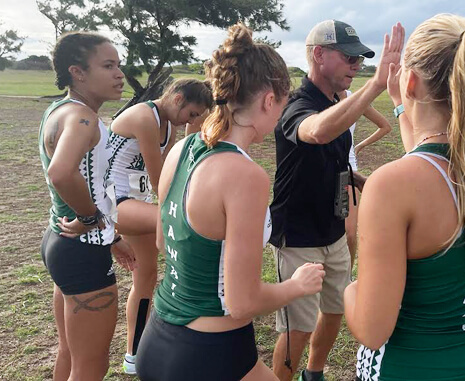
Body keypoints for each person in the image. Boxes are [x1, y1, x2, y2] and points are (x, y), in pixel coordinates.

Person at [135, 24, 325, 381]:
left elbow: (164, 241)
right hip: (210, 353)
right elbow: (241, 303)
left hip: (158, 337)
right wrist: (297, 285)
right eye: (283, 104)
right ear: (270, 100)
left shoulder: (182, 148)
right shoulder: (244, 175)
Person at [343, 14, 465, 380]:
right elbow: (429, 159)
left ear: (410, 80)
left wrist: (351, 290)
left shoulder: (391, 186)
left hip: (408, 367)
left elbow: (373, 331)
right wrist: (399, 104)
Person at [269, 19, 404, 381]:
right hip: (297, 235)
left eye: (360, 60)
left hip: (333, 230)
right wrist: (376, 86)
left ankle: (314, 373)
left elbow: (337, 161)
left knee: (334, 308)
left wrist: (366, 182)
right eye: (349, 58)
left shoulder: (337, 101)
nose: (356, 66)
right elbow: (315, 132)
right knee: (296, 326)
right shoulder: (296, 105)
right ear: (319, 55)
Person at [38, 31, 135, 380]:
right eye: (108, 66)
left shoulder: (61, 110)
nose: (119, 75)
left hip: (60, 242)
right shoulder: (83, 118)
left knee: (71, 353)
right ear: (78, 72)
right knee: (92, 365)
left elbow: (80, 175)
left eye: (119, 65)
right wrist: (92, 219)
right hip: (80, 249)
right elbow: (62, 173)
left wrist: (109, 235)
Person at [108, 78, 212, 374]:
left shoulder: (169, 124)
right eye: (192, 114)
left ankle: (134, 354)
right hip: (113, 201)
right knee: (176, 222)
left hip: (134, 200)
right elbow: (160, 181)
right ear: (177, 98)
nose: (191, 121)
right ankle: (193, 315)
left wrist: (193, 129)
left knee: (146, 274)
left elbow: (172, 168)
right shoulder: (144, 117)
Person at [337, 89, 392, 266]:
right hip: (324, 171)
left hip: (348, 171)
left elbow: (385, 126)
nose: (352, 68)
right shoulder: (319, 96)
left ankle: (346, 276)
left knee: (350, 232)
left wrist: (359, 146)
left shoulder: (355, 98)